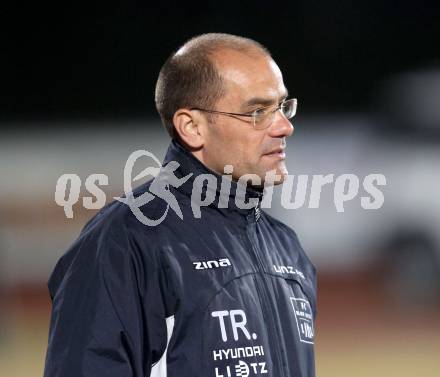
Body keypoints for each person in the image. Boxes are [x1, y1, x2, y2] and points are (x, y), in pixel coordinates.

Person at [44, 33, 317, 377]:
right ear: (191, 127)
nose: (284, 126)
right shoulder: (125, 241)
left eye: (282, 106)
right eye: (257, 111)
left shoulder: (286, 247)